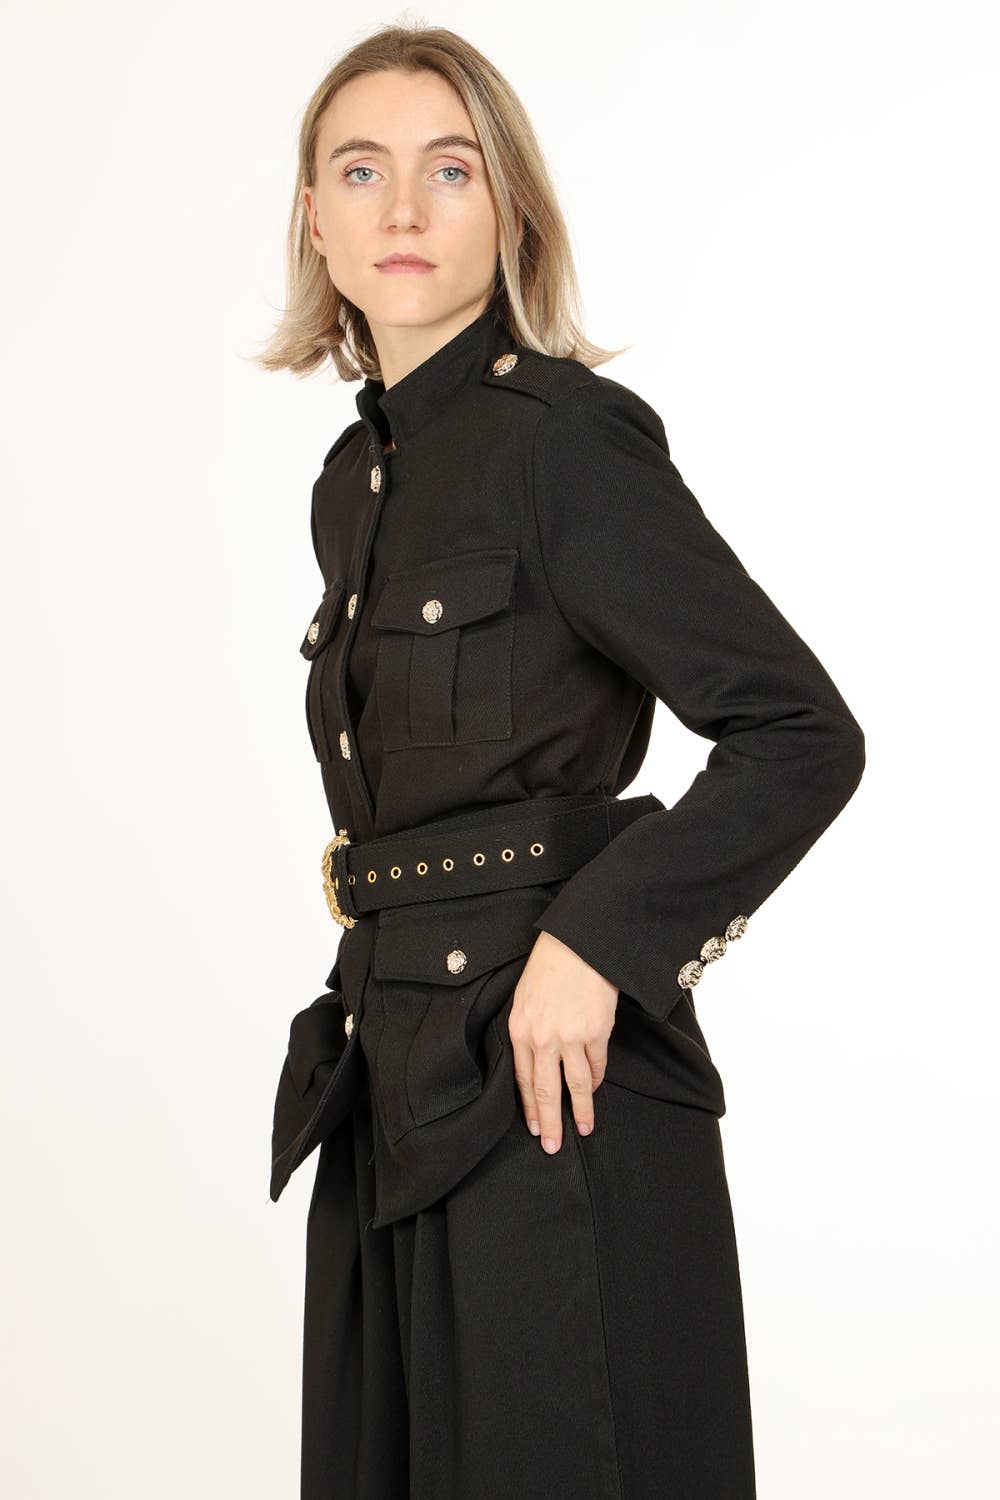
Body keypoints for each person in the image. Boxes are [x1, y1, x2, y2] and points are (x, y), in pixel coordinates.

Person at [256, 24, 865, 1500]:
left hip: (552, 1095)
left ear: (510, 208)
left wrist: (600, 945)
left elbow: (799, 733)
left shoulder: (567, 443)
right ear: (317, 221)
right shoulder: (354, 482)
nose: (406, 208)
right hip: (388, 1084)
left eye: (451, 169)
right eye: (363, 172)